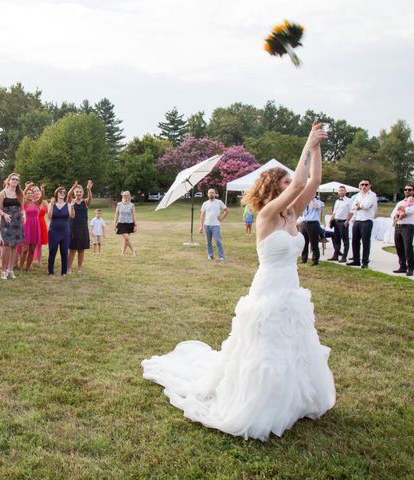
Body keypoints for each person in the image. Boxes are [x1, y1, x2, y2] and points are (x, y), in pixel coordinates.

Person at [142, 122, 335, 441]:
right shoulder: (268, 215)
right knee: (264, 348)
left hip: (291, 290)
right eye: (286, 182)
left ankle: (292, 398)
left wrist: (316, 149)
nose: (293, 185)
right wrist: (306, 142)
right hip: (269, 289)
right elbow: (301, 180)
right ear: (275, 187)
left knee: (292, 345)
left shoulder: (291, 214)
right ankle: (260, 401)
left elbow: (312, 180)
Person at [0, 173, 25, 279]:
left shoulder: (20, 194)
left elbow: (22, 209)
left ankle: (10, 269)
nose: (15, 181)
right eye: (13, 179)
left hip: (17, 221)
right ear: (8, 181)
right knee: (6, 246)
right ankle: (3, 271)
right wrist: (4, 214)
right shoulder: (3, 193)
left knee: (14, 246)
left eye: (17, 180)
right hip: (6, 222)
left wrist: (24, 214)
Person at [347, 179, 377, 268]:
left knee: (365, 242)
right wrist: (360, 206)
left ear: (370, 185)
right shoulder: (358, 195)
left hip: (366, 220)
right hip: (357, 220)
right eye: (362, 184)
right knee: (355, 241)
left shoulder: (372, 195)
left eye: (366, 184)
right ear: (360, 185)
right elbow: (353, 207)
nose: (364, 186)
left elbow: (367, 206)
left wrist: (360, 205)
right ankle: (356, 260)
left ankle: (365, 262)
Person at [47, 186, 75, 276]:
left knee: (64, 251)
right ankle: (51, 272)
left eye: (64, 192)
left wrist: (73, 207)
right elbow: (49, 217)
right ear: (56, 193)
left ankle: (64, 272)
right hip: (54, 231)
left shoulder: (68, 205)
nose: (62, 193)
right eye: (60, 192)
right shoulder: (51, 204)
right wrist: (51, 204)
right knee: (52, 251)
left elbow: (72, 216)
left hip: (65, 232)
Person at [68, 180, 93, 272]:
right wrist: (73, 187)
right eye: (77, 192)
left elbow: (90, 198)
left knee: (81, 250)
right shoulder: (71, 202)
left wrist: (88, 190)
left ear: (82, 193)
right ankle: (69, 267)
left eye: (80, 192)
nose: (78, 193)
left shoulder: (85, 202)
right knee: (72, 250)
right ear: (74, 192)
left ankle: (79, 267)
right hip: (73, 228)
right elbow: (68, 195)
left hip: (83, 229)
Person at [390, 183, 414, 276]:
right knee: (399, 247)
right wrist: (396, 215)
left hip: (408, 226)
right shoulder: (400, 202)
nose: (407, 191)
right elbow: (393, 213)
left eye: (409, 190)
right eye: (406, 189)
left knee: (408, 247)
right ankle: (402, 266)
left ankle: (410, 268)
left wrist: (403, 210)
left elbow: (410, 211)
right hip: (398, 225)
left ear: (413, 191)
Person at [199, 188, 229, 261]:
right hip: (207, 225)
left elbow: (227, 211)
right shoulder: (205, 203)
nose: (211, 194)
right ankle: (210, 256)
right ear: (207, 194)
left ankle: (221, 257)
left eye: (212, 192)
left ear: (215, 194)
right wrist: (201, 226)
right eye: (210, 193)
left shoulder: (219, 202)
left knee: (218, 241)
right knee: (208, 242)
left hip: (216, 225)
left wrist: (221, 219)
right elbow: (202, 215)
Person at [19, 182, 41, 271]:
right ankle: (21, 267)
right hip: (26, 226)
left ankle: (27, 267)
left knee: (32, 249)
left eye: (31, 193)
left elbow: (41, 197)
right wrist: (27, 188)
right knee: (25, 249)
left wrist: (42, 190)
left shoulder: (36, 203)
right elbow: (21, 195)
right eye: (28, 193)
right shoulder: (23, 203)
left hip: (35, 226)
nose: (30, 195)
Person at [328, 186, 352, 262]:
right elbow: (334, 212)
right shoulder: (337, 201)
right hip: (336, 222)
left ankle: (344, 257)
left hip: (343, 222)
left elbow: (351, 212)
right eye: (339, 191)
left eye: (342, 190)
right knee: (336, 240)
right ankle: (335, 256)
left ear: (345, 192)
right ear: (338, 192)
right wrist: (331, 220)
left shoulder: (349, 201)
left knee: (345, 240)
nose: (341, 192)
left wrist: (347, 221)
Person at [301, 195, 324, 266]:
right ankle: (304, 259)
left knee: (314, 243)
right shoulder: (305, 201)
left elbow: (315, 207)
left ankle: (315, 260)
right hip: (305, 222)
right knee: (304, 242)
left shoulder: (318, 202)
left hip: (313, 223)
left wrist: (312, 199)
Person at [114, 191, 136, 256]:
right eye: (124, 195)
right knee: (127, 238)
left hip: (129, 223)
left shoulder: (132, 205)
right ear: (122, 196)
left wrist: (135, 225)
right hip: (121, 223)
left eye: (127, 195)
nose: (126, 196)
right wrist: (114, 224)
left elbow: (134, 216)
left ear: (129, 196)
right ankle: (134, 251)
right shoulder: (119, 204)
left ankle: (122, 252)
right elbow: (116, 214)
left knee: (125, 239)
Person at [33, 185, 49, 265]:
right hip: (33, 223)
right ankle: (30, 260)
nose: (36, 192)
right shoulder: (32, 201)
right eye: (34, 191)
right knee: (32, 242)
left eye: (37, 191)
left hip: (42, 222)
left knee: (40, 243)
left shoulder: (45, 202)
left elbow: (49, 213)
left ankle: (39, 261)